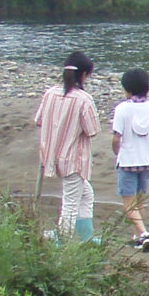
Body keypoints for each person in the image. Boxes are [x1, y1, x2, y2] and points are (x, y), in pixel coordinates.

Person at [33, 50, 100, 241]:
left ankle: (86, 236)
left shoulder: (50, 93)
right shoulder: (83, 99)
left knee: (86, 194)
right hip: (73, 158)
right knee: (71, 202)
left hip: (52, 154)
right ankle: (63, 241)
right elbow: (92, 130)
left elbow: (39, 120)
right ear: (85, 75)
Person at [109, 68, 149, 251]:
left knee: (128, 202)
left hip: (128, 161)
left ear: (127, 89)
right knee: (140, 199)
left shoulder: (122, 109)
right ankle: (138, 236)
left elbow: (116, 138)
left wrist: (118, 152)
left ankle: (143, 234)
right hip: (148, 161)